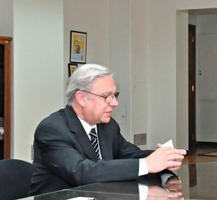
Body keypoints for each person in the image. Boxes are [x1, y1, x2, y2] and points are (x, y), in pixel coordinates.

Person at [29, 64, 187, 195]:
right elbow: (82, 172)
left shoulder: (107, 126)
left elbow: (131, 154)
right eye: (107, 96)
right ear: (82, 98)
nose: (115, 103)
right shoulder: (52, 130)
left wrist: (163, 158)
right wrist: (147, 164)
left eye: (114, 95)